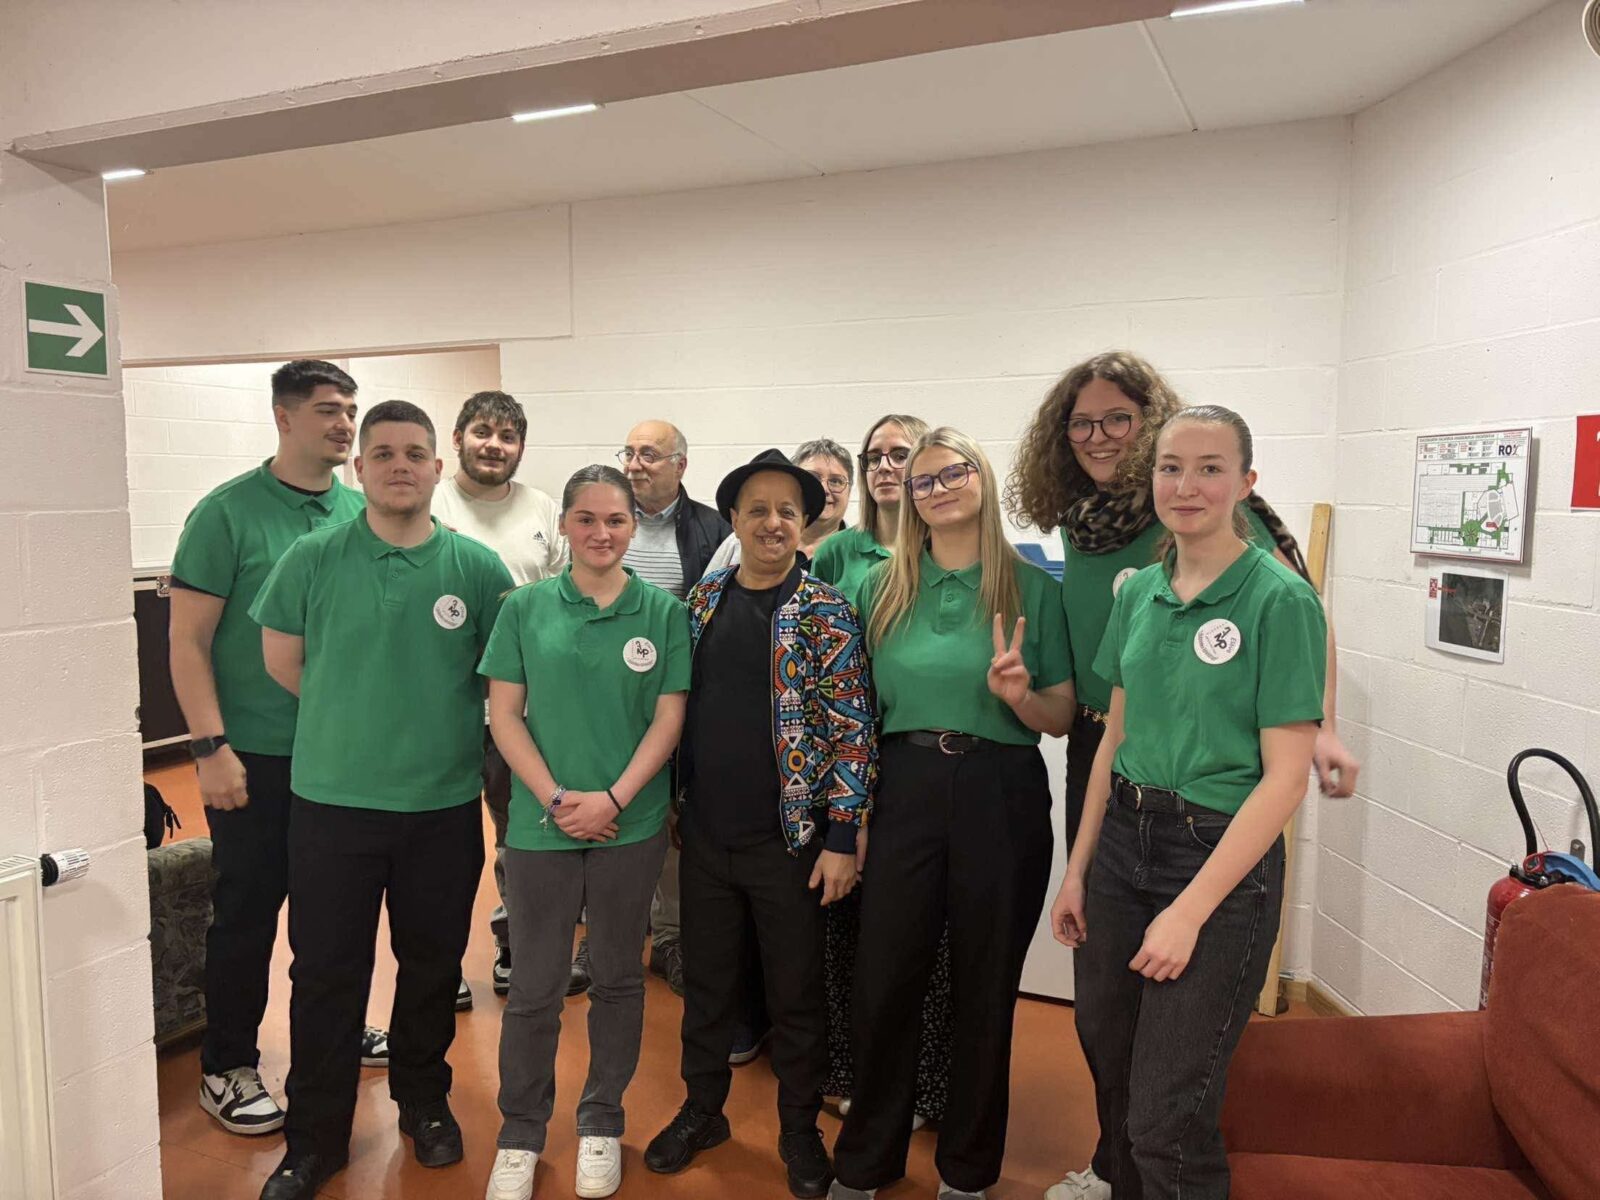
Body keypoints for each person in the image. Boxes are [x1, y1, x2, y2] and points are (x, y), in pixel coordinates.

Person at [1004, 351, 1359, 1200]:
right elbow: (1112, 739)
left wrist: (1189, 911)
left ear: (1246, 484)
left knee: (1168, 1115)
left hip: (1214, 850)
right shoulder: (1139, 592)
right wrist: (1079, 871)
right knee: (1109, 1050)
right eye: (1172, 468)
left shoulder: (1278, 598)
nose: (1186, 485)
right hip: (1123, 836)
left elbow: (1283, 781)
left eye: (1209, 469)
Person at [250, 401, 514, 1200]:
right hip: (332, 805)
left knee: (432, 968)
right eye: (385, 453)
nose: (401, 465)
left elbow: (500, 682)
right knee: (326, 973)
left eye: (416, 453)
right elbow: (283, 661)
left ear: (438, 468)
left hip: (441, 807)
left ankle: (424, 1103)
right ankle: (314, 1139)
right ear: (359, 468)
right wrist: (351, 716)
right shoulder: (311, 558)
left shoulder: (478, 571)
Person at [831, 429, 1074, 1200]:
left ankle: (967, 1172)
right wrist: (852, 817)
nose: (937, 488)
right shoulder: (880, 588)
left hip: (999, 790)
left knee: (984, 987)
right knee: (884, 981)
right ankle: (865, 1161)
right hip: (902, 785)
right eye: (923, 479)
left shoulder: (1033, 589)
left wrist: (1020, 697)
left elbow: (1060, 717)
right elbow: (852, 715)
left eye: (952, 472)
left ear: (982, 477)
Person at [644, 450, 877, 1200]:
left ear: (803, 523)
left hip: (792, 844)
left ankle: (799, 1129)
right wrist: (674, 801)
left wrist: (841, 836)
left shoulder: (826, 610)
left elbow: (853, 730)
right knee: (708, 987)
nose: (772, 523)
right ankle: (703, 1110)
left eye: (786, 511)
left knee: (795, 996)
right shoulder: (702, 603)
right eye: (757, 510)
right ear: (734, 521)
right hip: (706, 835)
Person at [168, 359, 387, 1137]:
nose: (344, 424)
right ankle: (227, 1063)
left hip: (342, 755)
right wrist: (209, 747)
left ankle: (335, 1029)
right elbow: (188, 640)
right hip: (255, 754)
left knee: (336, 915)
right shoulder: (226, 513)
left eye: (350, 409)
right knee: (248, 912)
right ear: (284, 417)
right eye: (328, 409)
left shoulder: (359, 510)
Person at [480, 464, 690, 1200]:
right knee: (535, 985)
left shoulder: (663, 613)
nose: (602, 533)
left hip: (630, 825)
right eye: (587, 519)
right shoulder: (523, 608)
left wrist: (614, 799)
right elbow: (505, 715)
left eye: (616, 520)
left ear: (634, 527)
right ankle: (520, 1132)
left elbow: (669, 717)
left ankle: (601, 1120)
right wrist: (559, 797)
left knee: (618, 976)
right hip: (542, 824)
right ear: (564, 525)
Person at [432, 390, 567, 1005]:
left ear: (521, 446)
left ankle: (515, 950)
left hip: (518, 712)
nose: (494, 445)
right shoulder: (432, 504)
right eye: (482, 431)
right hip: (443, 710)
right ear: (458, 437)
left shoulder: (542, 508)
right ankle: (440, 964)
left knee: (520, 840)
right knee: (442, 844)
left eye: (507, 436)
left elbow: (561, 602)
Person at [618, 419, 731, 997]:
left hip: (678, 697)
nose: (635, 464)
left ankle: (669, 939)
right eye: (630, 453)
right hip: (609, 701)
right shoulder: (608, 519)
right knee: (615, 812)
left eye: (650, 455)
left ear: (680, 465)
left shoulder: (712, 528)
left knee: (669, 816)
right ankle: (610, 933)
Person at [810, 414, 929, 607]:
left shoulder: (945, 548)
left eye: (900, 456)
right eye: (873, 459)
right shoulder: (834, 552)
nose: (883, 467)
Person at [705, 437, 857, 572]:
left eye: (836, 481)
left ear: (850, 491)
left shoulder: (858, 555)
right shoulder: (739, 542)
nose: (824, 489)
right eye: (814, 477)